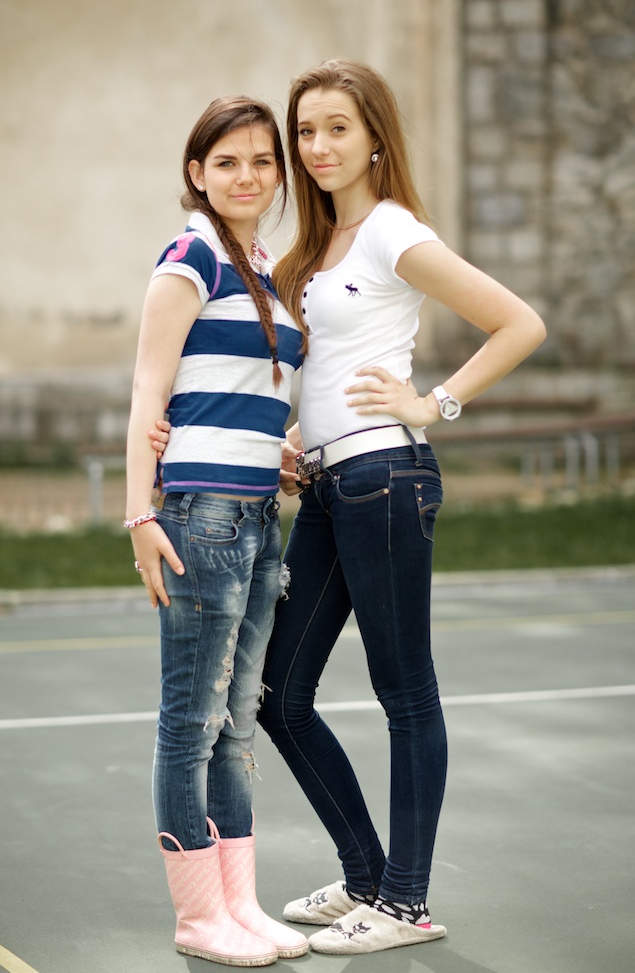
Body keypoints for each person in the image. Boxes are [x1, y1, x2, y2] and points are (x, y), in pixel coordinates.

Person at [148, 59, 546, 957]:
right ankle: (365, 874)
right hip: (328, 486)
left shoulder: (392, 230)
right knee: (277, 695)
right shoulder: (314, 247)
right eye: (306, 131)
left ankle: (404, 902)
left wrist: (432, 403)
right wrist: (285, 441)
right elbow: (314, 369)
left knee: (404, 691)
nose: (318, 146)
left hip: (387, 478)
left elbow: (519, 322)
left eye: (337, 128)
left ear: (373, 139)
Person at [125, 95, 308, 966]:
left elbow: (238, 390)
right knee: (190, 723)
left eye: (262, 161)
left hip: (258, 518)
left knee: (238, 723)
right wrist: (139, 513)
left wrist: (278, 449)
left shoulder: (264, 265)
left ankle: (239, 905)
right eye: (227, 162)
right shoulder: (191, 254)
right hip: (199, 517)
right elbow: (148, 390)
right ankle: (199, 919)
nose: (247, 176)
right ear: (197, 173)